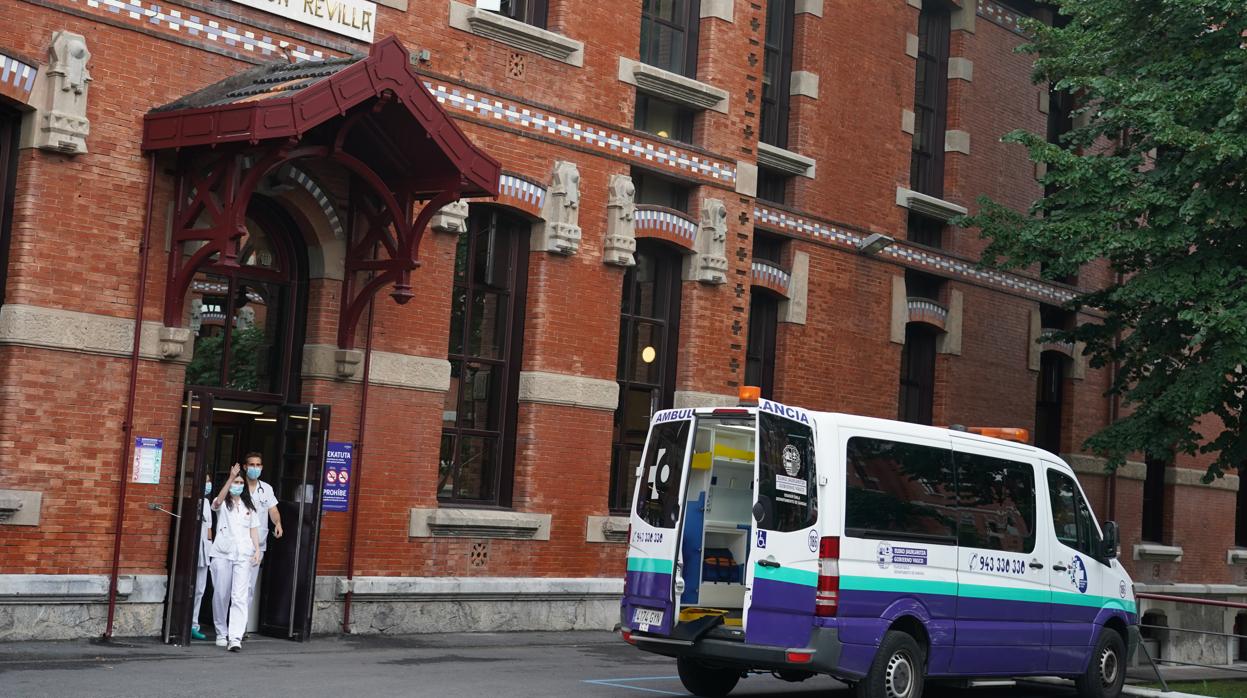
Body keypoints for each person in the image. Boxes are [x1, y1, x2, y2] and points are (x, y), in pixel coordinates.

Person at [209, 464, 261, 652]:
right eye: (235, 482)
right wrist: (231, 477)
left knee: (239, 596)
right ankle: (221, 632)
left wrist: (257, 549)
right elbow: (216, 502)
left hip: (243, 554)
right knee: (221, 594)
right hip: (222, 553)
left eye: (240, 482)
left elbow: (253, 529)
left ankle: (235, 637)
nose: (238, 485)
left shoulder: (249, 506)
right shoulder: (222, 503)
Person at [240, 452, 282, 612]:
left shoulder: (266, 489)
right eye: (252, 465)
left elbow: (273, 510)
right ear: (245, 467)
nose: (255, 468)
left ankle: (241, 626)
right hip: (239, 541)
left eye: (258, 465)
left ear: (262, 467)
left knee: (249, 586)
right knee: (235, 586)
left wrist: (278, 523)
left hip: (257, 545)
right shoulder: (238, 485)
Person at [190, 472, 213, 641]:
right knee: (189, 587)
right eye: (204, 481)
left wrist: (210, 549)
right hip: (192, 547)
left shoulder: (206, 502)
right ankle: (185, 622)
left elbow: (209, 528)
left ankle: (194, 623)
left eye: (209, 481)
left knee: (199, 588)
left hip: (205, 548)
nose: (208, 484)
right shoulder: (191, 501)